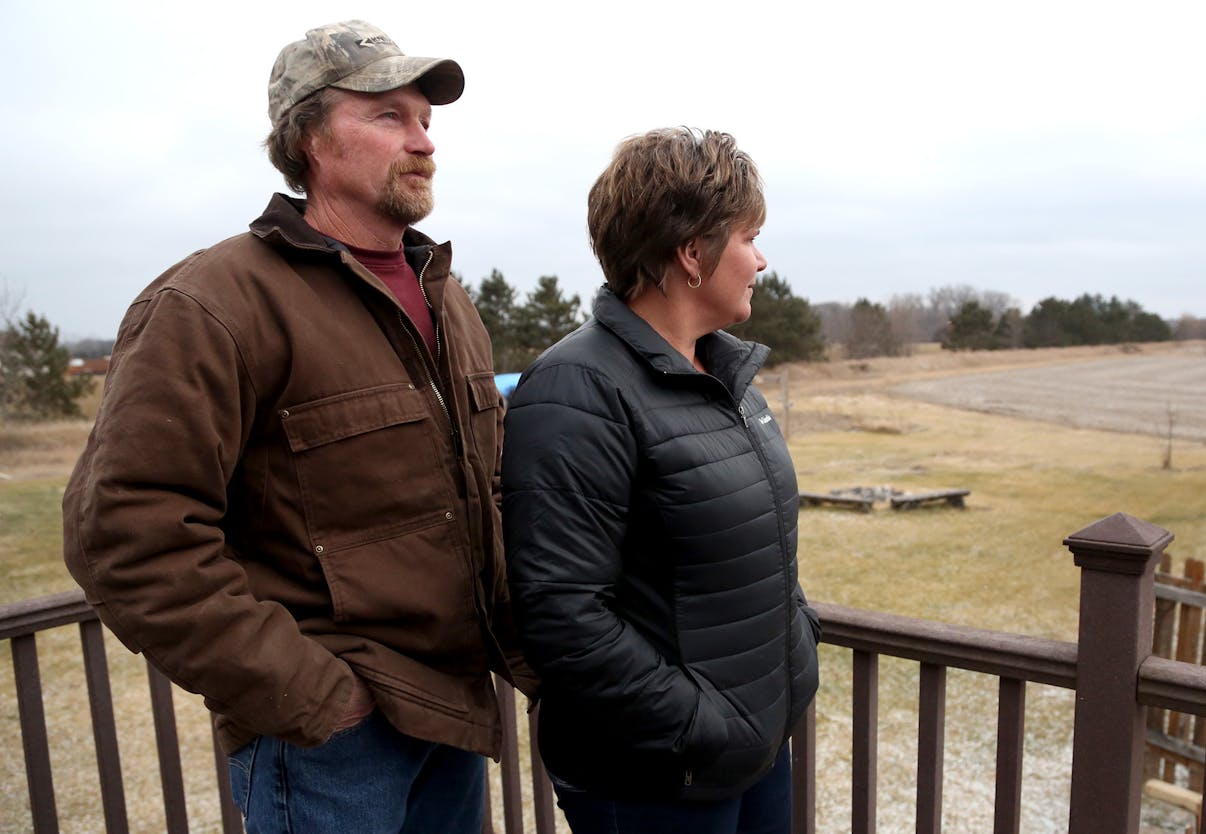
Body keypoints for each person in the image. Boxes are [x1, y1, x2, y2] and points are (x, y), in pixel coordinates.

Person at [62, 20, 534, 833]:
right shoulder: (213, 304)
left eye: (426, 120)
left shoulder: (447, 300)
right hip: (331, 745)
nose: (423, 141)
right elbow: (126, 532)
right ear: (309, 136)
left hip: (452, 714)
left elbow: (484, 493)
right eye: (389, 116)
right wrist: (312, 694)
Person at [501, 127, 820, 834]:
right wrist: (704, 724)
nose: (761, 260)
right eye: (748, 236)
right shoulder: (576, 388)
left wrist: (797, 644)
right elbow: (564, 614)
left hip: (753, 751)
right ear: (691, 252)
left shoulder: (726, 375)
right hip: (655, 778)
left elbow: (761, 543)